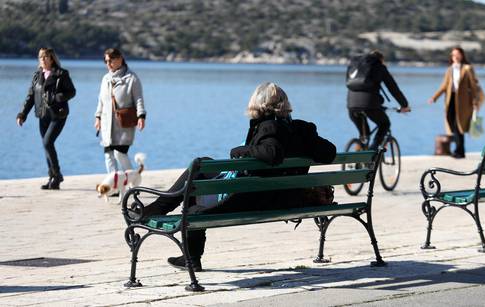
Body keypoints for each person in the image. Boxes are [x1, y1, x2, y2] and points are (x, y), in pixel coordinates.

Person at [139, 82, 336, 271]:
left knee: (194, 208)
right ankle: (163, 215)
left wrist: (242, 150)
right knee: (202, 163)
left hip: (252, 200)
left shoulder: (269, 127)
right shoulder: (302, 129)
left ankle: (185, 249)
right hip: (283, 198)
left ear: (258, 105)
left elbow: (272, 153)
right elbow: (329, 152)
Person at [16, 48, 76, 190]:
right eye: (40, 57)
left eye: (46, 57)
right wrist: (22, 114)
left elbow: (72, 92)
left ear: (52, 59)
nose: (42, 59)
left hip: (58, 114)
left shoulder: (61, 74)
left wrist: (59, 97)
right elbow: (30, 96)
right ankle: (52, 178)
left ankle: (57, 175)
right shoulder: (37, 75)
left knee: (48, 142)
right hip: (42, 115)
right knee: (46, 145)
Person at [346, 50, 411, 151]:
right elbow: (393, 88)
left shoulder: (356, 67)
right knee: (385, 124)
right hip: (370, 105)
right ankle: (371, 153)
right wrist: (404, 105)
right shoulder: (379, 67)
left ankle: (357, 160)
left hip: (351, 106)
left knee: (364, 135)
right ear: (380, 59)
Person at [95, 48, 146, 174]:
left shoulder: (132, 78)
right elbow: (101, 100)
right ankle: (115, 186)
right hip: (107, 123)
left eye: (111, 60)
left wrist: (141, 116)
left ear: (120, 59)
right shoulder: (105, 78)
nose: (108, 64)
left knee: (119, 153)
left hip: (124, 124)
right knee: (108, 154)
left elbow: (139, 99)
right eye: (106, 61)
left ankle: (132, 182)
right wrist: (98, 117)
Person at [428, 47, 484, 159]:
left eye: (457, 54)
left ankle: (459, 151)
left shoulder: (467, 69)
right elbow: (444, 86)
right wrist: (434, 97)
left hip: (463, 102)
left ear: (462, 55)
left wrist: (475, 101)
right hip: (451, 100)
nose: (455, 56)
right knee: (452, 125)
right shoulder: (450, 69)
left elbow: (474, 86)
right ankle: (459, 151)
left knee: (459, 126)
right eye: (453, 55)